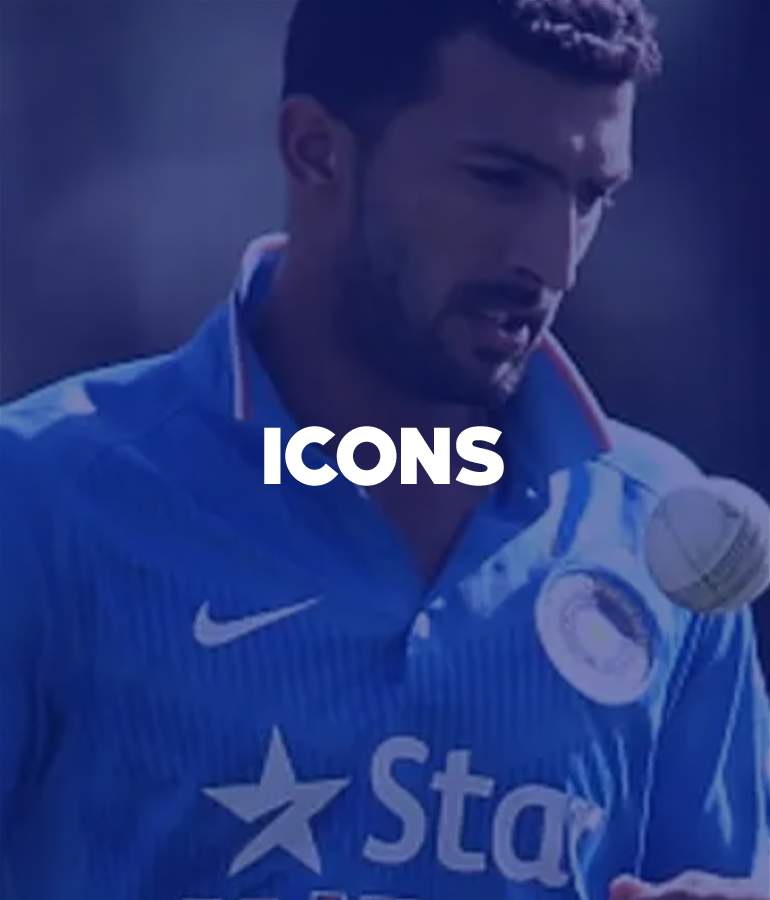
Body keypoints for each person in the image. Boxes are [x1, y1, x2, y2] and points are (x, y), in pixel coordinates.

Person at [1, 1, 768, 898]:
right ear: (315, 150)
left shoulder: (659, 539)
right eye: (500, 179)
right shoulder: (42, 497)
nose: (553, 262)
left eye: (590, 196)